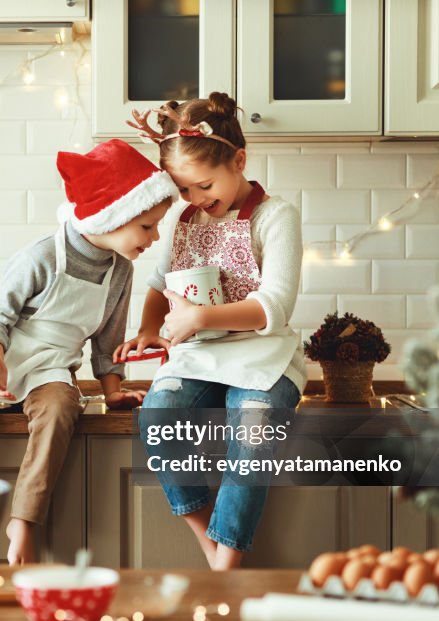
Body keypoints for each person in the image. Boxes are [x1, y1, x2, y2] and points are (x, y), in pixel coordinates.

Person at [0, 139, 179, 565]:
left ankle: (23, 522)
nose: (155, 236)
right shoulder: (40, 257)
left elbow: (108, 340)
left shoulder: (121, 272)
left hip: (51, 368)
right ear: (114, 216)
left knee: (59, 413)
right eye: (147, 226)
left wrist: (112, 391)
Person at [116, 92, 305, 570]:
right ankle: (212, 544)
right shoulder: (182, 218)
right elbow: (160, 285)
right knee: (157, 419)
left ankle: (227, 564)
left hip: (263, 358)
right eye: (184, 190)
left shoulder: (276, 217)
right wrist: (147, 328)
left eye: (203, 185)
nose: (196, 200)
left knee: (255, 430)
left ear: (239, 160)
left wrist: (199, 318)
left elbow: (273, 307)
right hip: (199, 359)